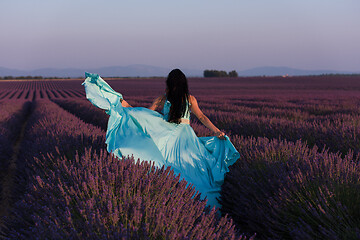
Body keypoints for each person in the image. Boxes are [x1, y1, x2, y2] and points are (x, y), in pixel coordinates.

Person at [82, 69, 239, 207]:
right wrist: (217, 131)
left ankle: (169, 193)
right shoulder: (190, 99)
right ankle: (197, 198)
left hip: (166, 133)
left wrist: (128, 110)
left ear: (169, 83)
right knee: (193, 166)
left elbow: (146, 115)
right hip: (185, 137)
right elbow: (202, 117)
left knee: (166, 163)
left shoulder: (163, 98)